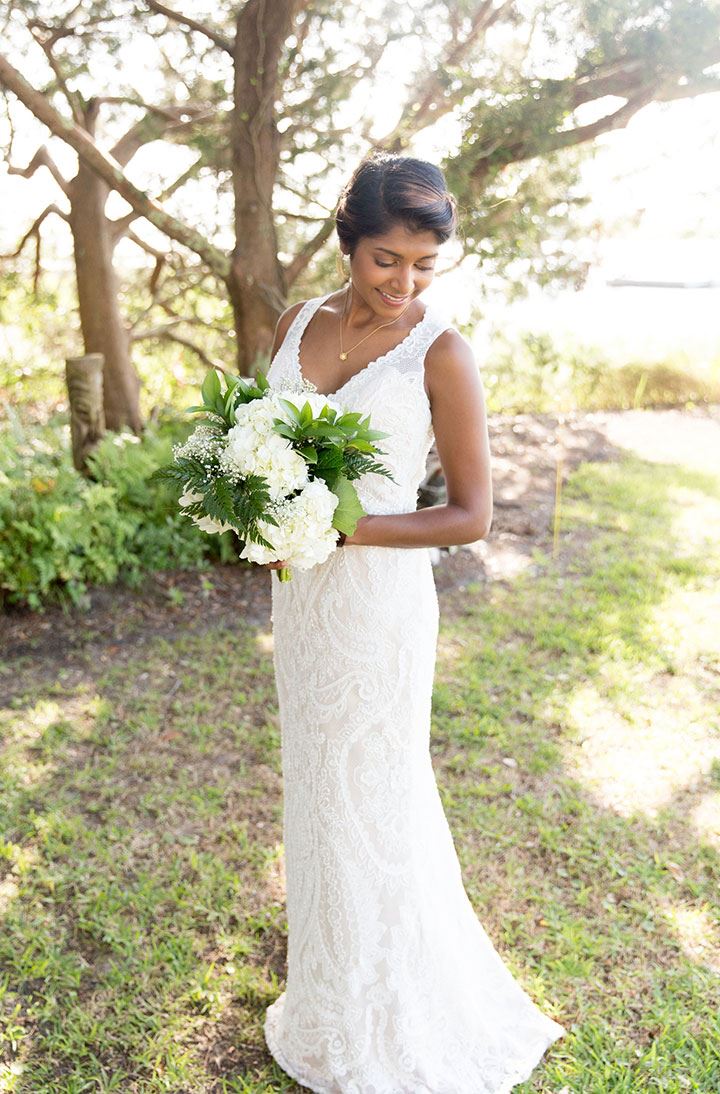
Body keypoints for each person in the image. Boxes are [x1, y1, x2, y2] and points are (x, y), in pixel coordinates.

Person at [260, 151, 566, 1092]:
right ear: (349, 244)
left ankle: (386, 1011)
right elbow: (263, 447)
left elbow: (471, 515)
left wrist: (350, 528)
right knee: (316, 794)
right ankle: (325, 992)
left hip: (381, 608)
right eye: (387, 259)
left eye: (426, 262)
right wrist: (260, 514)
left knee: (377, 800)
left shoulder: (442, 350)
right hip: (302, 606)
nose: (405, 282)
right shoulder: (294, 322)